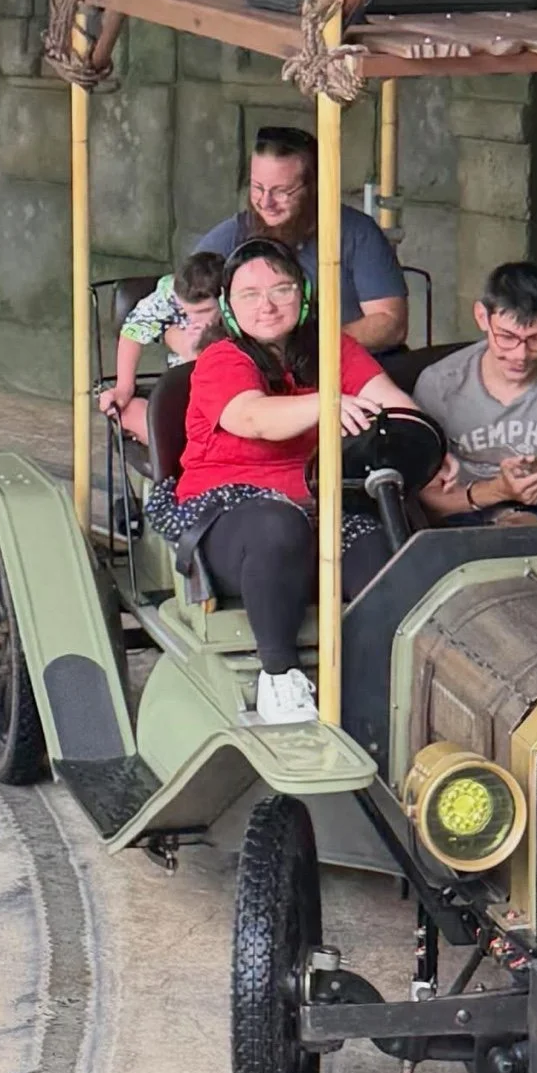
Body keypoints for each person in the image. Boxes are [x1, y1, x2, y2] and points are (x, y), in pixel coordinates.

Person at [144, 239, 452, 725]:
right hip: (228, 518)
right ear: (227, 304)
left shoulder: (332, 349)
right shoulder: (222, 359)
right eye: (248, 294)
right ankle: (279, 677)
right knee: (278, 526)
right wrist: (328, 405)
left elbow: (392, 402)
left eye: (280, 288)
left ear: (303, 294)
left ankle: (380, 682)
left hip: (322, 507)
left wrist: (427, 443)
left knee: (382, 549)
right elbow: (253, 417)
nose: (266, 305)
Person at [415, 262, 537, 527]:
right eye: (507, 337)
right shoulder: (439, 384)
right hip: (461, 518)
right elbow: (426, 502)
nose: (520, 355)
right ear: (482, 317)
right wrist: (501, 490)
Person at [192, 126, 409, 352]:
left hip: (346, 371)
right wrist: (189, 344)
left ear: (313, 188)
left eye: (281, 191)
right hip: (257, 375)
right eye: (257, 188)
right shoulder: (233, 234)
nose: (265, 202)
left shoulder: (357, 232)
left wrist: (305, 348)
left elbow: (391, 323)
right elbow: (170, 301)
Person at [98, 252, 224, 445]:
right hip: (183, 390)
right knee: (128, 411)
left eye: (204, 311)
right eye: (186, 311)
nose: (193, 319)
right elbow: (134, 330)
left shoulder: (241, 303)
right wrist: (124, 387)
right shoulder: (170, 292)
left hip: (225, 397)